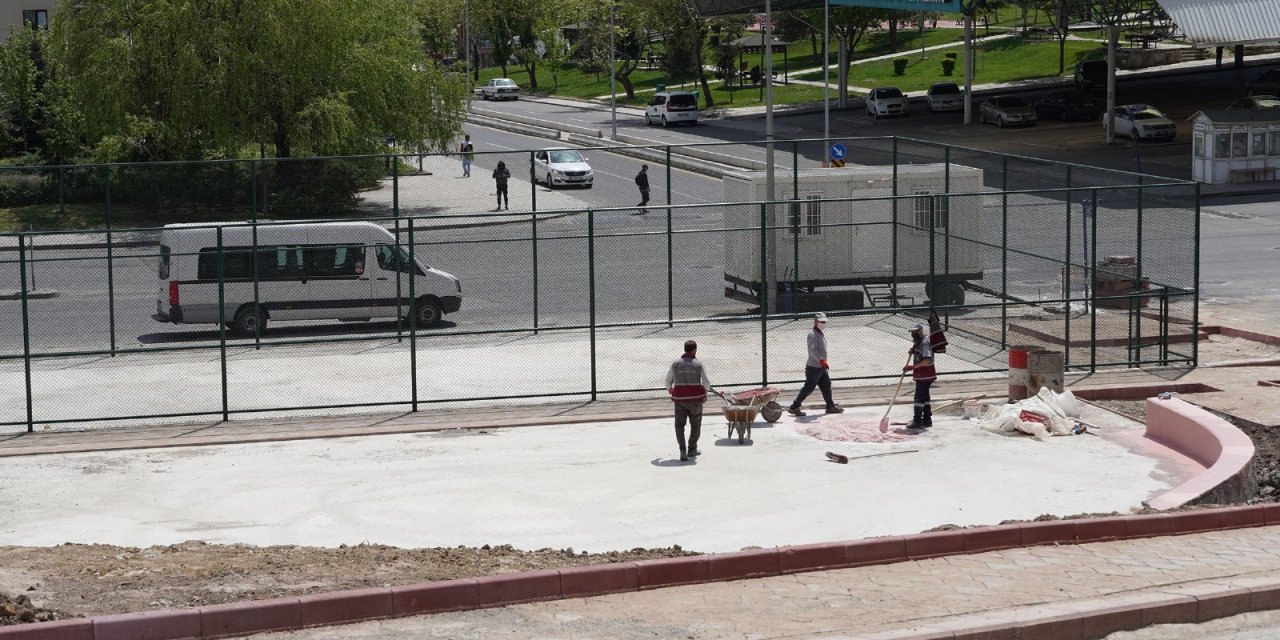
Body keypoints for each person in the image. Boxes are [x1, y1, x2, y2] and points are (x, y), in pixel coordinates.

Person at [786, 313, 844, 417]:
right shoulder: (812, 334)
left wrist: (822, 363)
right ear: (815, 321)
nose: (823, 323)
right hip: (814, 368)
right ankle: (794, 407)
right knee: (809, 388)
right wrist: (821, 360)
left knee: (826, 385)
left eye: (824, 322)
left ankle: (830, 406)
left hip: (820, 368)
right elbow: (812, 350)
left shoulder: (819, 333)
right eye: (821, 322)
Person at [665, 339, 712, 461]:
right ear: (694, 350)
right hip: (695, 400)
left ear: (685, 349)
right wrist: (705, 391)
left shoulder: (676, 363)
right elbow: (707, 383)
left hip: (680, 400)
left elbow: (667, 380)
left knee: (679, 425)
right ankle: (692, 449)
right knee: (695, 425)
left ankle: (682, 450)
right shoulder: (698, 364)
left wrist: (670, 389)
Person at [903, 323, 938, 429]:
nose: (914, 333)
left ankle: (917, 421)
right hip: (923, 374)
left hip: (925, 374)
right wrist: (914, 351)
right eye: (912, 332)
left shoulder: (923, 343)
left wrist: (912, 367)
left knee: (918, 398)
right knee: (925, 397)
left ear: (921, 331)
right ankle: (927, 420)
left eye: (916, 331)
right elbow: (920, 354)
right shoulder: (918, 342)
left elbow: (927, 360)